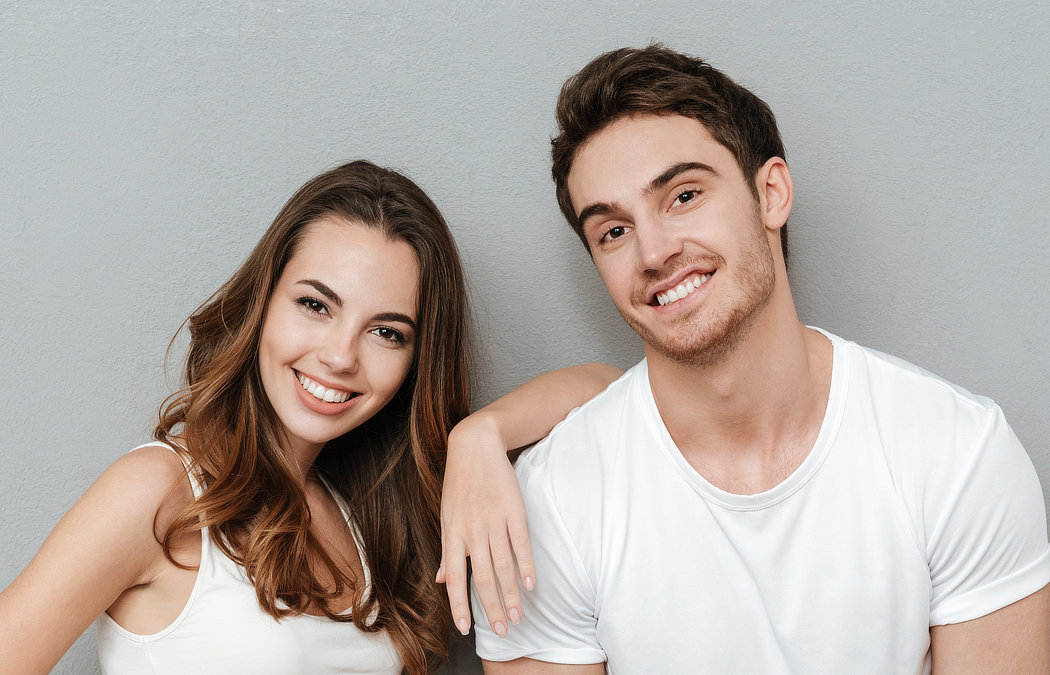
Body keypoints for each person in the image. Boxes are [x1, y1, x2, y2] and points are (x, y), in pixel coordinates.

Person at [462, 45, 1050, 672]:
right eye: (613, 231)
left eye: (683, 196)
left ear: (771, 193)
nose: (653, 252)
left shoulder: (957, 452)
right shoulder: (551, 504)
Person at [0, 160, 618, 674]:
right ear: (264, 301)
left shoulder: (366, 520)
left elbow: (609, 385)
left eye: (386, 332)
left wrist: (478, 436)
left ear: (414, 364)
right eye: (316, 304)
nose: (340, 356)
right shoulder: (159, 491)